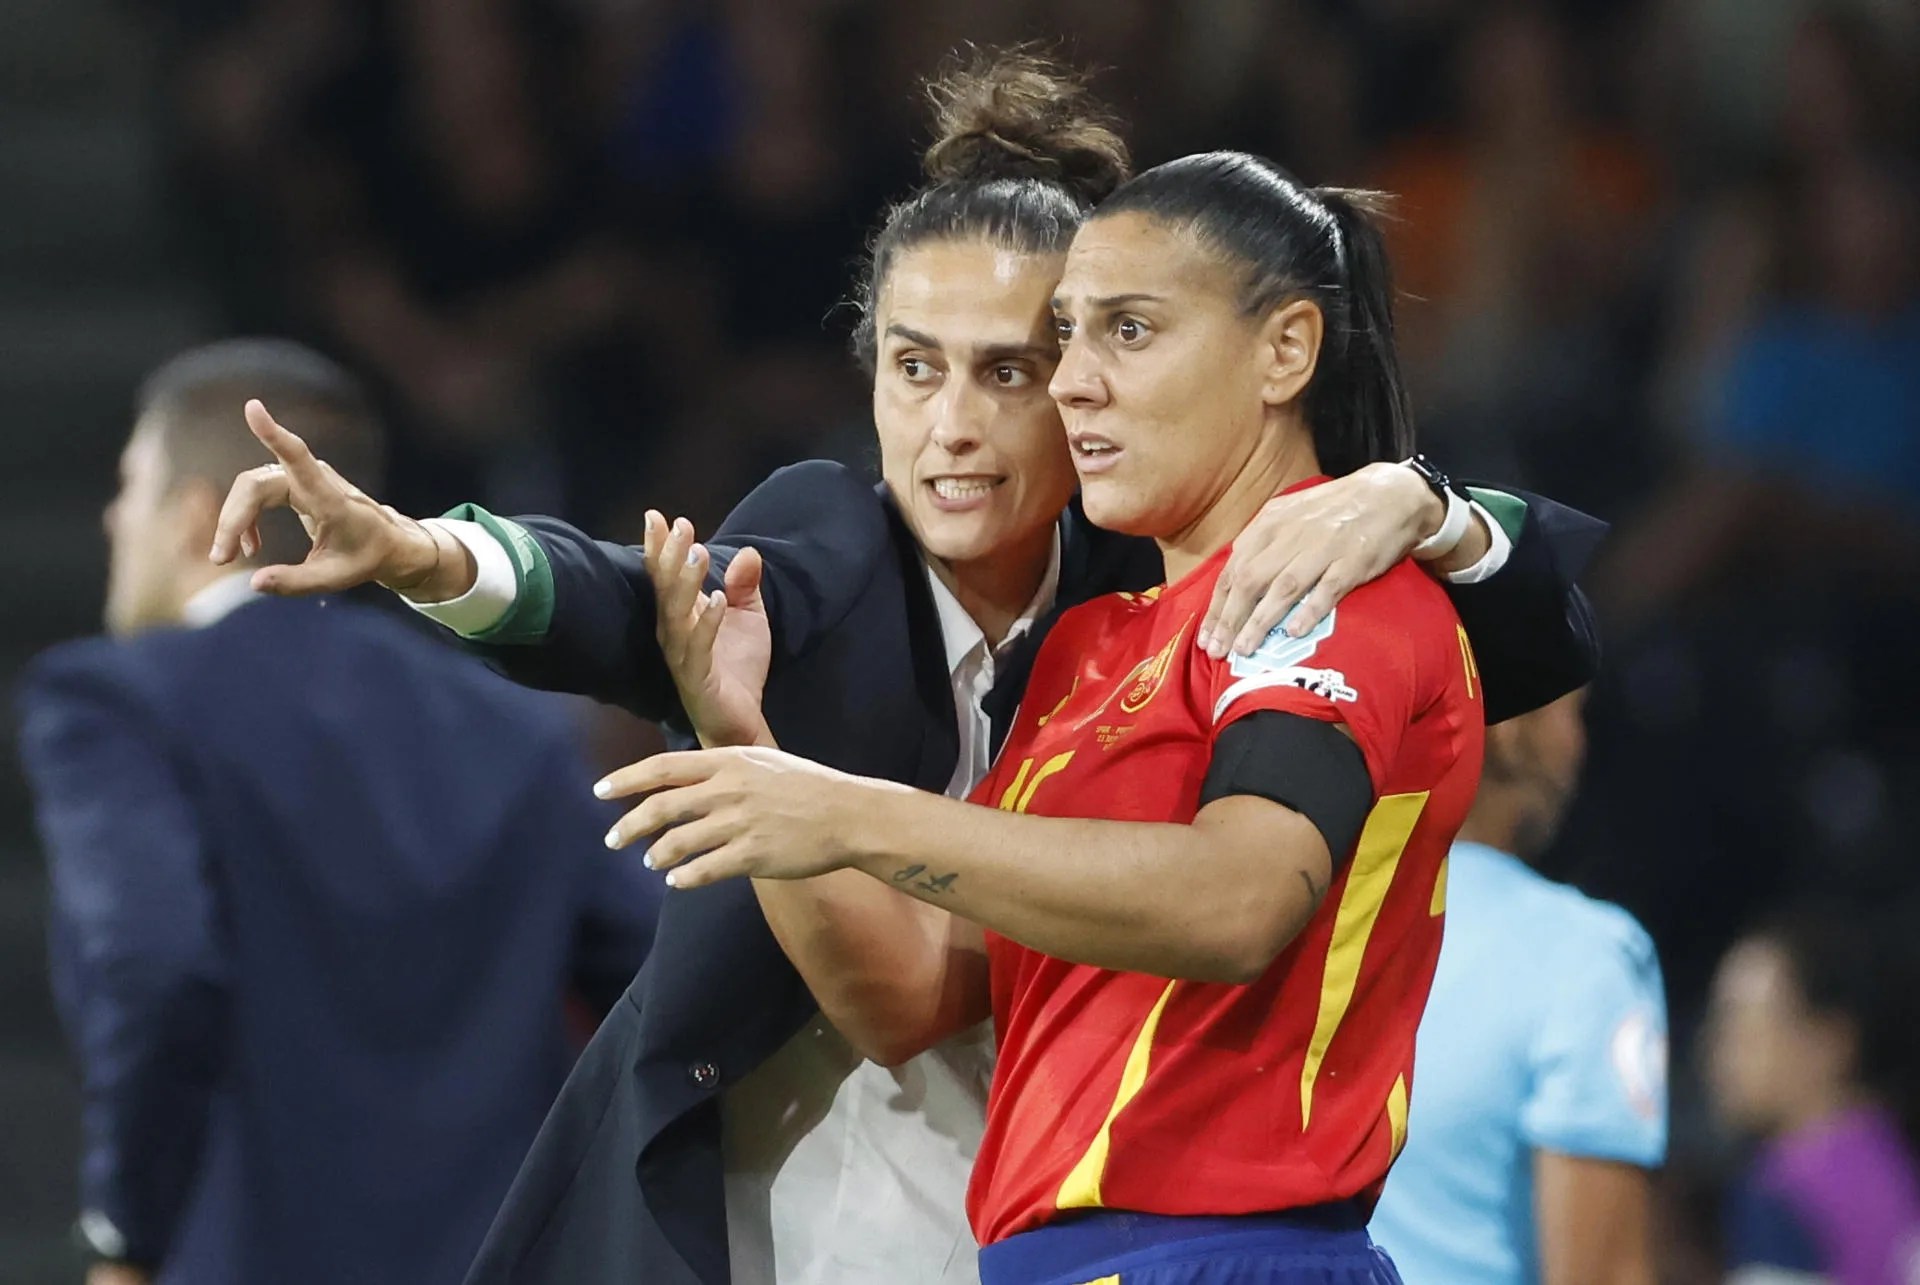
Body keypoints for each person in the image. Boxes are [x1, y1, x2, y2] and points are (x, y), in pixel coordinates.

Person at [213, 54, 1603, 1285]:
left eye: (1019, 367)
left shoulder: (1216, 585)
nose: (960, 424)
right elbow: (631, 599)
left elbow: (1499, 646)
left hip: (1143, 1221)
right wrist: (425, 556)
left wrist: (1425, 503)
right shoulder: (852, 555)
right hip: (825, 1202)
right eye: (913, 368)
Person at [611, 149, 1491, 1284]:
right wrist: (751, 749)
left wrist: (852, 812)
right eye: (1068, 334)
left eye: (1128, 331)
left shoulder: (1323, 582)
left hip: (1225, 1255)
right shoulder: (1094, 646)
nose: (1073, 381)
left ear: (1286, 351)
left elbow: (1237, 899)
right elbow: (916, 995)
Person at [16, 340, 661, 1285]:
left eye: (130, 486)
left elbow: (152, 963)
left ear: (201, 514)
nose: (114, 518)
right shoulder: (510, 722)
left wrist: (126, 1230)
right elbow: (649, 972)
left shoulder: (116, 701)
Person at [1368, 690, 1668, 1285]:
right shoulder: (1588, 958)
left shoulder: (1306, 923)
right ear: (1505, 728)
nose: (1577, 744)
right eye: (1569, 710)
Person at [1706, 910, 1920, 1285]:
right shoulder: (1892, 1158)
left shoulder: (1782, 1190)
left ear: (1831, 1040)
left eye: (1747, 1027)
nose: (1720, 1053)